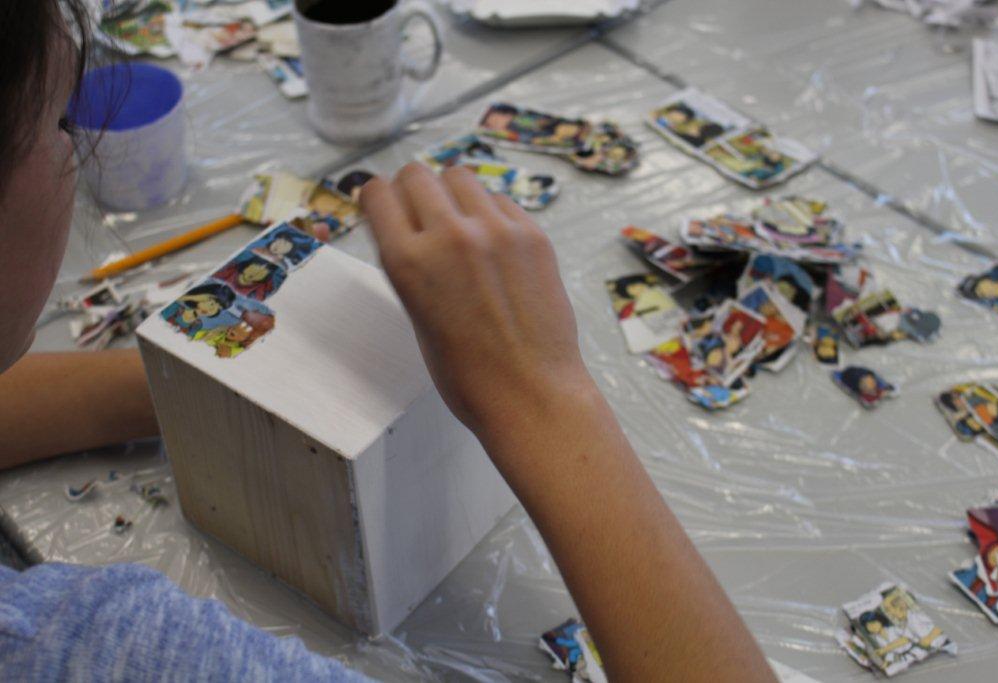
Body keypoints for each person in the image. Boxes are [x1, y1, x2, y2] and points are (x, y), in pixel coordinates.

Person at [0, 1, 775, 681]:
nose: (76, 151)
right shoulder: (107, 652)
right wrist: (545, 396)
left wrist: (213, 383)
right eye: (62, 122)